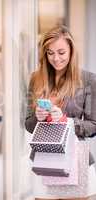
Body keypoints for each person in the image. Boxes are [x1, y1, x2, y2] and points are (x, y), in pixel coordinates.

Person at [25, 25, 96, 200]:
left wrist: (66, 121)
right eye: (50, 53)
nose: (56, 58)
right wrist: (38, 117)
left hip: (77, 161)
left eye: (61, 52)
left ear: (72, 51)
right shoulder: (36, 78)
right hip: (44, 159)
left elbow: (93, 125)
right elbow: (27, 123)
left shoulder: (88, 79)